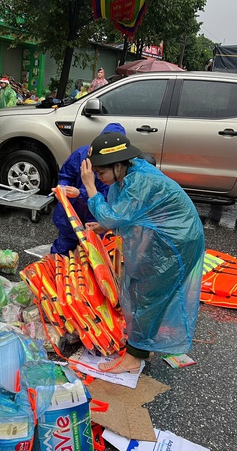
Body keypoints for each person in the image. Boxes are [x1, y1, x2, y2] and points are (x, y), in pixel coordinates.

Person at [80, 132, 205, 373]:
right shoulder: (130, 174)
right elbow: (129, 213)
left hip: (175, 243)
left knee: (147, 294)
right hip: (166, 237)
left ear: (118, 166)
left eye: (100, 173)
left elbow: (113, 213)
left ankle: (133, 358)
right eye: (95, 174)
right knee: (141, 290)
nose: (98, 178)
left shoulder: (139, 181)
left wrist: (89, 187)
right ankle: (142, 345)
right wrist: (106, 226)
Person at [50, 123, 125, 255]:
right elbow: (66, 175)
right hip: (72, 211)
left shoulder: (119, 172)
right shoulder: (82, 154)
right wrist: (62, 188)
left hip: (95, 216)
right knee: (62, 250)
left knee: (91, 254)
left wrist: (80, 193)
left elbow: (107, 198)